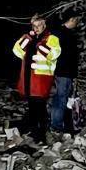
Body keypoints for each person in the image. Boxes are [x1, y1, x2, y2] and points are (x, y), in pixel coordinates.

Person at [12, 16, 61, 144]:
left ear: (44, 25)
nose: (36, 28)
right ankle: (34, 134)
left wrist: (41, 45)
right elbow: (17, 50)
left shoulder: (52, 38)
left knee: (40, 108)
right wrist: (27, 38)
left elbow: (53, 54)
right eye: (34, 26)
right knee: (32, 107)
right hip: (28, 78)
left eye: (39, 25)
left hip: (42, 79)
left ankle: (41, 136)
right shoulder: (29, 37)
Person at [48, 11, 81, 134]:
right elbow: (70, 56)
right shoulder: (66, 35)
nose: (77, 22)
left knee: (59, 98)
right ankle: (57, 125)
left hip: (59, 71)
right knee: (62, 98)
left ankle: (58, 124)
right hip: (65, 71)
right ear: (71, 19)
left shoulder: (57, 33)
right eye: (76, 19)